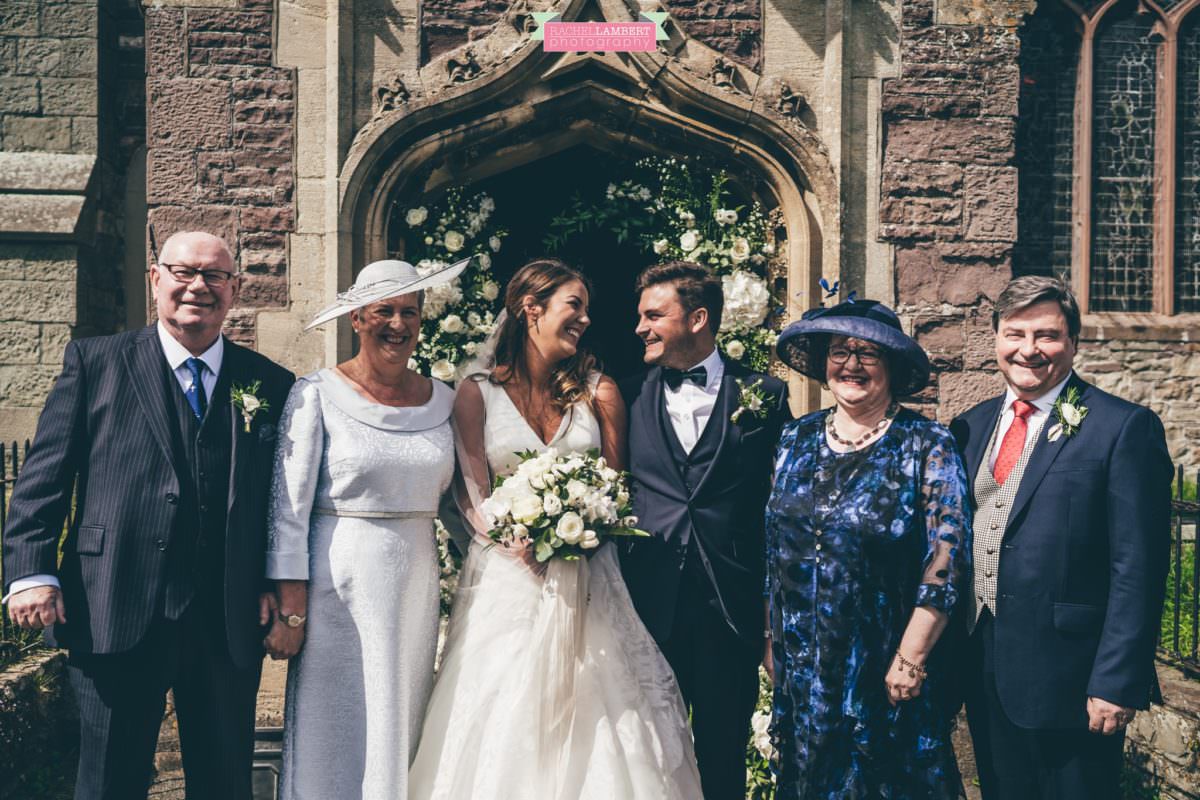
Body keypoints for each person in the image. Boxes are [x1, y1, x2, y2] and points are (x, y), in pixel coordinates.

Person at [1, 231, 294, 799]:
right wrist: (31, 572)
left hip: (224, 616)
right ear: (155, 279)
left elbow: (278, 500)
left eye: (214, 276)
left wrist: (275, 587)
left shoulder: (269, 383)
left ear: (233, 290)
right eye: (184, 272)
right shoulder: (97, 362)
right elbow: (43, 477)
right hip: (113, 602)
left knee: (224, 782)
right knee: (110, 779)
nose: (198, 287)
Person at [409, 258, 702, 799]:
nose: (586, 319)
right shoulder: (476, 393)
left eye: (585, 309)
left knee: (602, 708)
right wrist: (515, 539)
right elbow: (471, 490)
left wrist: (580, 531)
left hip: (590, 578)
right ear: (531, 309)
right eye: (575, 306)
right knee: (504, 708)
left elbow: (618, 488)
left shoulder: (600, 391)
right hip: (507, 579)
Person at [950, 276, 1172, 800]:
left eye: (1046, 335)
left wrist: (1115, 682)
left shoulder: (1122, 427)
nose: (1029, 350)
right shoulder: (970, 426)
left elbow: (1137, 567)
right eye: (1015, 334)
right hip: (981, 660)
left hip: (1072, 679)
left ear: (1073, 342)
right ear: (996, 339)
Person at [262, 258, 467, 800]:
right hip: (338, 586)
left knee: (403, 713)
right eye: (384, 312)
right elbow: (288, 509)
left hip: (416, 582)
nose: (396, 325)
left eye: (409, 313)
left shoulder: (447, 402)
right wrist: (292, 608)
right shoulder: (317, 394)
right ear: (356, 318)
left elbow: (462, 505)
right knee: (337, 722)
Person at [766, 298, 969, 799]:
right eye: (840, 351)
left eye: (868, 354)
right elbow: (770, 549)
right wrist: (768, 638)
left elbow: (947, 556)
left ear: (892, 368)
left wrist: (912, 656)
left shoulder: (927, 443)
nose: (851, 365)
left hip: (882, 664)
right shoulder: (794, 437)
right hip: (804, 666)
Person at [619, 260, 790, 798]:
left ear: (697, 318)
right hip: (647, 605)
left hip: (729, 604)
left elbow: (780, 503)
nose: (640, 328)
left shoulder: (766, 394)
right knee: (647, 755)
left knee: (722, 755)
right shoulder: (622, 395)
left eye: (653, 316)